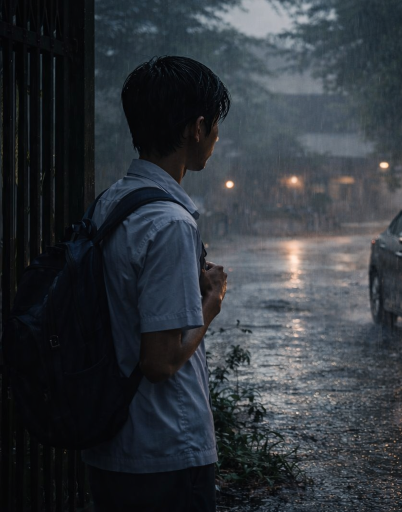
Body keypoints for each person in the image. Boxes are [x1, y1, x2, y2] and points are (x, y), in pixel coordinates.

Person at [81, 56, 230, 512]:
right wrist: (210, 303)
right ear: (197, 128)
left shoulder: (113, 202)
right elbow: (160, 363)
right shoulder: (169, 223)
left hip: (113, 443)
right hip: (165, 450)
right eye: (215, 126)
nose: (216, 138)